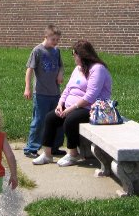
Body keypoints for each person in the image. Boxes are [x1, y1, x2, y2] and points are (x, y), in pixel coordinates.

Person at [32, 39, 112, 167]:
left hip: (92, 109)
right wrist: (60, 104)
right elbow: (68, 89)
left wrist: (70, 109)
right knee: (50, 118)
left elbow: (90, 97)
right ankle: (47, 154)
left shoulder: (98, 69)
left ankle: (72, 154)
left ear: (82, 55)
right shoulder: (78, 69)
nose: (73, 58)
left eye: (74, 55)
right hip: (72, 107)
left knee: (71, 120)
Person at [23, 24, 65, 158]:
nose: (56, 42)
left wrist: (60, 74)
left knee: (57, 120)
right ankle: (31, 148)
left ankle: (54, 146)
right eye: (53, 39)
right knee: (39, 120)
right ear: (46, 37)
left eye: (57, 40)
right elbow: (29, 70)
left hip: (55, 93)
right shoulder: (37, 51)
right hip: (41, 93)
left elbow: (61, 66)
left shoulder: (56, 51)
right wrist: (27, 87)